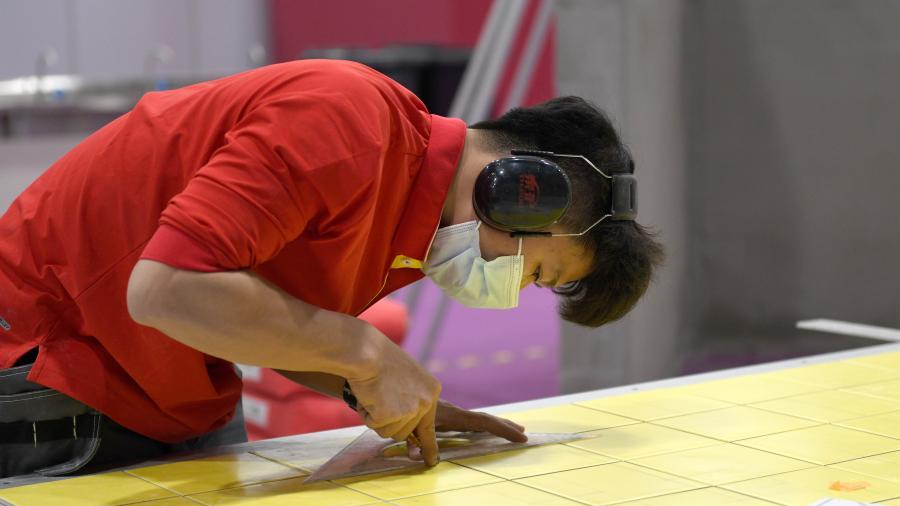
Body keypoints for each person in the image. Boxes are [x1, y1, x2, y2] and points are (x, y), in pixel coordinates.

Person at [0, 60, 663, 478]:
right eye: (536, 272)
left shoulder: (412, 221)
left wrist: (386, 393)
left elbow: (266, 309)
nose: (512, 293)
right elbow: (165, 289)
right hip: (53, 370)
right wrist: (366, 351)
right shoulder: (348, 122)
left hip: (166, 384)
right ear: (520, 189)